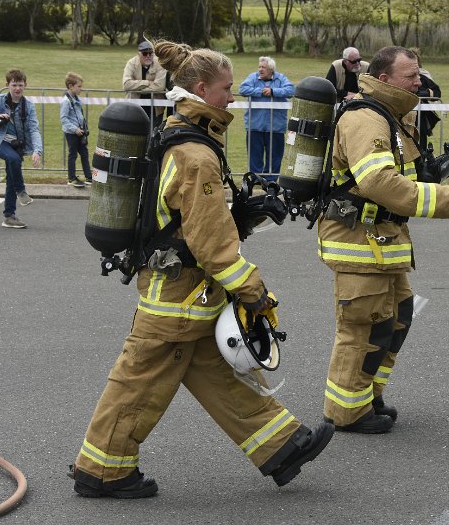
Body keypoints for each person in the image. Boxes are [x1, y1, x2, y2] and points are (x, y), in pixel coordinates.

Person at [69, 40, 333, 499]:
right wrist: (254, 291)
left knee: (217, 370)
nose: (232, 97)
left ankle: (281, 447)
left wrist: (244, 212)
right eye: (227, 89)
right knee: (138, 382)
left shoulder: (186, 137)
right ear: (202, 88)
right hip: (177, 297)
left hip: (186, 293)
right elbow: (211, 244)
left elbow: (187, 220)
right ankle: (102, 471)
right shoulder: (197, 155)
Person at [318, 46, 449, 434]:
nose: (418, 82)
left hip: (383, 239)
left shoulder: (391, 116)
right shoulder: (366, 118)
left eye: (418, 74)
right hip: (357, 240)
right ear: (383, 79)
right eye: (411, 75)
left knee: (396, 319)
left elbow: (401, 175)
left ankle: (365, 394)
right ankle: (346, 411)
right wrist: (448, 200)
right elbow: (377, 181)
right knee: (362, 328)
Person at [0, 69, 42, 229]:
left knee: (11, 177)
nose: (17, 88)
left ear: (25, 86)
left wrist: (37, 150)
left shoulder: (28, 106)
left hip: (18, 145)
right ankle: (21, 191)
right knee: (14, 159)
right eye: (14, 85)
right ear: (7, 85)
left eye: (20, 85)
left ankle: (9, 216)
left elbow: (34, 129)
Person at [238, 56, 294, 180]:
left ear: (271, 69)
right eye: (259, 67)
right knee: (254, 157)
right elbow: (242, 89)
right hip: (255, 126)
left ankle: (271, 182)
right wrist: (261, 91)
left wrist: (273, 91)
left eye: (263, 67)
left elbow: (290, 90)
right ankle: (256, 180)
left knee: (275, 157)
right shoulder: (253, 77)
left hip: (276, 127)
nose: (260, 70)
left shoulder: (281, 78)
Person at [122, 40, 168, 125]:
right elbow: (126, 85)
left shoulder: (160, 64)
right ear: (139, 54)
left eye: (151, 53)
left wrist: (135, 87)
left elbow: (160, 87)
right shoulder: (131, 63)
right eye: (145, 54)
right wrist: (146, 82)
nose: (148, 56)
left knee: (153, 136)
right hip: (134, 107)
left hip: (155, 109)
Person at [59, 72, 92, 188]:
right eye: (79, 86)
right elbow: (64, 119)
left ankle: (89, 177)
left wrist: (83, 127)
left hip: (80, 132)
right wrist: (74, 129)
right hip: (72, 133)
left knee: (84, 153)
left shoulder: (76, 99)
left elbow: (79, 115)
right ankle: (71, 177)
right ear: (70, 86)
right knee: (72, 154)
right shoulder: (66, 101)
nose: (81, 89)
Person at [409, 47, 442, 152]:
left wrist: (425, 93)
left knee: (421, 148)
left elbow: (437, 92)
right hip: (402, 119)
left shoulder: (423, 78)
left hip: (420, 120)